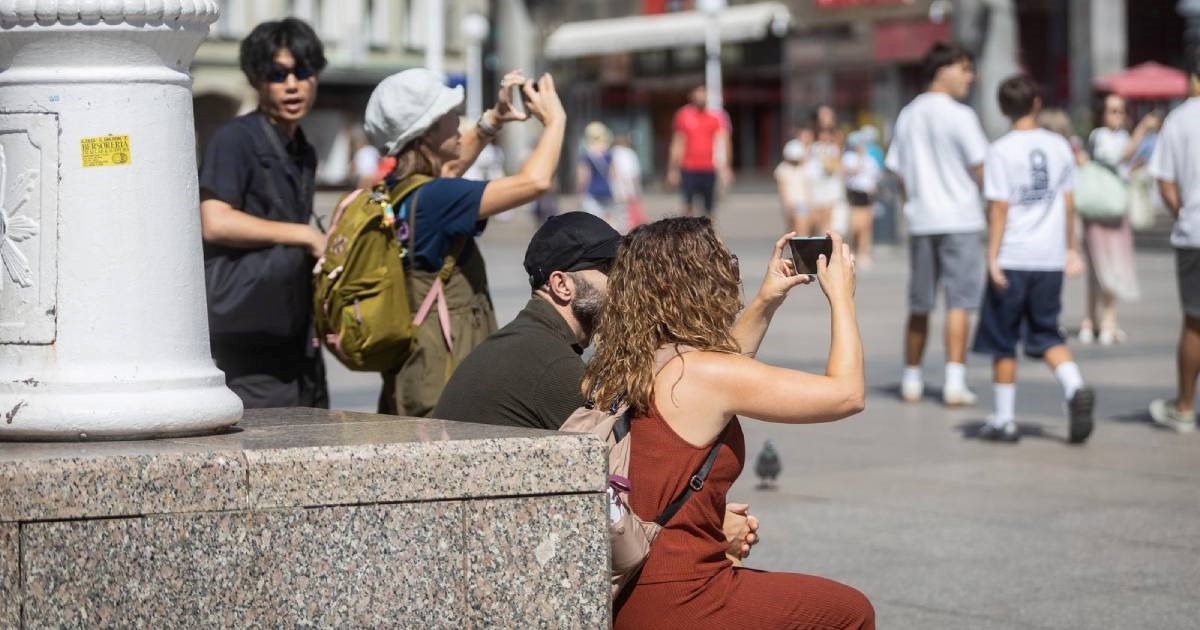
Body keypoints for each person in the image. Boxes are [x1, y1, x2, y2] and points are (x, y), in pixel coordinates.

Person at [585, 219, 873, 629]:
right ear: (698, 280)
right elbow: (847, 394)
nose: (732, 272)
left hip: (632, 591)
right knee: (850, 612)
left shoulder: (633, 363)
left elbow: (722, 368)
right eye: (725, 261)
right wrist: (842, 297)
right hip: (684, 598)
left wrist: (767, 299)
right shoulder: (698, 373)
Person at [434, 212, 761, 561]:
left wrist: (765, 300)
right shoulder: (551, 367)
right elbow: (638, 486)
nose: (626, 284)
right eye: (610, 270)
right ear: (562, 285)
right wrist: (712, 525)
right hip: (490, 555)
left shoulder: (533, 342)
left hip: (486, 536)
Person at [363, 69, 566, 417]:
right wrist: (555, 121)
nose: (459, 122)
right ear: (425, 134)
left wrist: (493, 121)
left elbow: (450, 169)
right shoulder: (437, 198)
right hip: (447, 382)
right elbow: (535, 181)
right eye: (448, 115)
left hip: (415, 373)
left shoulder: (398, 188)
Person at [199, 18, 329, 409]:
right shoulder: (235, 138)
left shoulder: (302, 148)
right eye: (277, 74)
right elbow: (215, 220)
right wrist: (303, 235)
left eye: (302, 72)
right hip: (248, 343)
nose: (292, 85)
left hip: (295, 341)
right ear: (256, 80)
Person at [973, 75, 1094, 444]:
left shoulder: (1000, 150)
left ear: (1002, 108)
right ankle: (1075, 387)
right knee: (1045, 332)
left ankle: (1005, 419)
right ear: (1037, 103)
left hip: (1014, 256)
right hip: (1049, 258)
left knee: (1004, 339)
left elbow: (999, 209)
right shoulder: (1059, 145)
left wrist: (992, 257)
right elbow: (1069, 202)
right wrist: (1070, 248)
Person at [885, 42, 989, 407]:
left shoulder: (908, 114)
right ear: (942, 70)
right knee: (959, 302)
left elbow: (895, 170)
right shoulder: (961, 115)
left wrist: (915, 197)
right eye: (964, 68)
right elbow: (981, 167)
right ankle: (954, 382)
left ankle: (911, 379)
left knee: (920, 302)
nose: (969, 77)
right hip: (960, 217)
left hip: (921, 219)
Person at [1147, 53, 1200, 433]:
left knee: (1195, 324)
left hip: (1194, 233)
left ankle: (1183, 407)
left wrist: (1183, 209)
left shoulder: (1179, 119)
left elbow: (1164, 181)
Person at [1078, 92, 1155, 345]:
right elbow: (1118, 157)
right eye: (1113, 111)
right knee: (1101, 270)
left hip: (1114, 210)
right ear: (1101, 114)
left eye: (1122, 111)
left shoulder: (1120, 136)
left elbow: (1122, 166)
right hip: (1100, 210)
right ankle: (1095, 321)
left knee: (1110, 269)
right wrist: (1142, 130)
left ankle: (1103, 320)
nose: (1118, 116)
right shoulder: (1099, 136)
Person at [667, 86, 732, 217]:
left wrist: (726, 168)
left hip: (709, 168)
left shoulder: (717, 116)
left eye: (704, 93)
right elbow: (677, 143)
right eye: (698, 93)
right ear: (692, 96)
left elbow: (724, 142)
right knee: (687, 206)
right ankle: (687, 236)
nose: (701, 96)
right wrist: (672, 170)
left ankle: (707, 236)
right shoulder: (683, 115)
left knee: (709, 209)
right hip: (689, 167)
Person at [843, 130, 882, 268]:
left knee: (866, 226)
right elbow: (849, 171)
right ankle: (852, 250)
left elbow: (875, 176)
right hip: (854, 195)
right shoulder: (849, 157)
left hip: (866, 196)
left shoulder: (870, 159)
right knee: (854, 226)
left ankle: (864, 252)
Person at [808, 105, 846, 235]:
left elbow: (838, 156)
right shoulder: (812, 138)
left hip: (830, 184)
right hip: (816, 183)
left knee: (830, 215)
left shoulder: (836, 137)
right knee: (818, 216)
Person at [576, 121, 621, 227]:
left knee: (594, 222)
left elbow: (584, 177)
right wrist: (618, 190)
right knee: (609, 219)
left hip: (592, 191)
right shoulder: (609, 154)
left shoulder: (587, 155)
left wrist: (580, 192)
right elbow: (614, 174)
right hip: (607, 191)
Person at [774, 139, 811, 235]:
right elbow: (782, 187)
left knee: (802, 230)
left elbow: (808, 186)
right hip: (791, 203)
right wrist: (786, 203)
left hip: (803, 202)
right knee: (792, 230)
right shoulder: (782, 169)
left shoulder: (805, 168)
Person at [610, 133, 646, 231]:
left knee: (616, 209)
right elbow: (634, 173)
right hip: (629, 185)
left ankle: (615, 228)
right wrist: (636, 188)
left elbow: (611, 171)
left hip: (614, 185)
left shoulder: (611, 152)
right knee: (626, 212)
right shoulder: (630, 153)